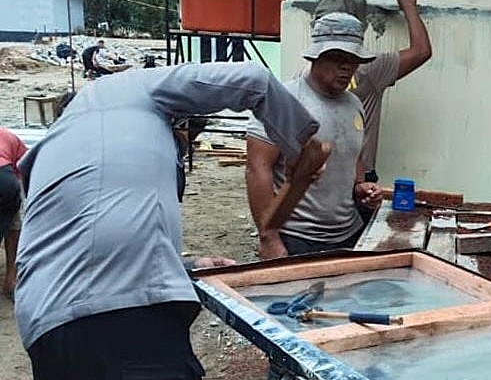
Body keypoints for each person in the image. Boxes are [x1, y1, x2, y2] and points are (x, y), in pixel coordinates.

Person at [14, 62, 327, 380]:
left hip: (45, 327)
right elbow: (254, 80)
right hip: (120, 319)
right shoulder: (127, 87)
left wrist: (185, 267)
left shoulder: (56, 150)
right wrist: (302, 150)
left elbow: (87, 245)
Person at [246, 12, 384, 260]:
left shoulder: (354, 103)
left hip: (348, 232)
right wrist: (269, 237)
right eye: (337, 58)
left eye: (353, 59)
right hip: (297, 237)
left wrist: (360, 187)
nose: (347, 67)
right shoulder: (283, 102)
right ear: (315, 57)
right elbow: (258, 169)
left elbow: (352, 155)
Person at [313, 0, 432, 184]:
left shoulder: (306, 75)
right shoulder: (369, 70)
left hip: (321, 177)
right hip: (356, 180)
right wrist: (408, 4)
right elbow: (421, 51)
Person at [0, 126, 26, 298]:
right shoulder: (9, 135)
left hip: (6, 177)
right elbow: (26, 167)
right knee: (13, 225)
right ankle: (11, 280)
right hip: (7, 181)